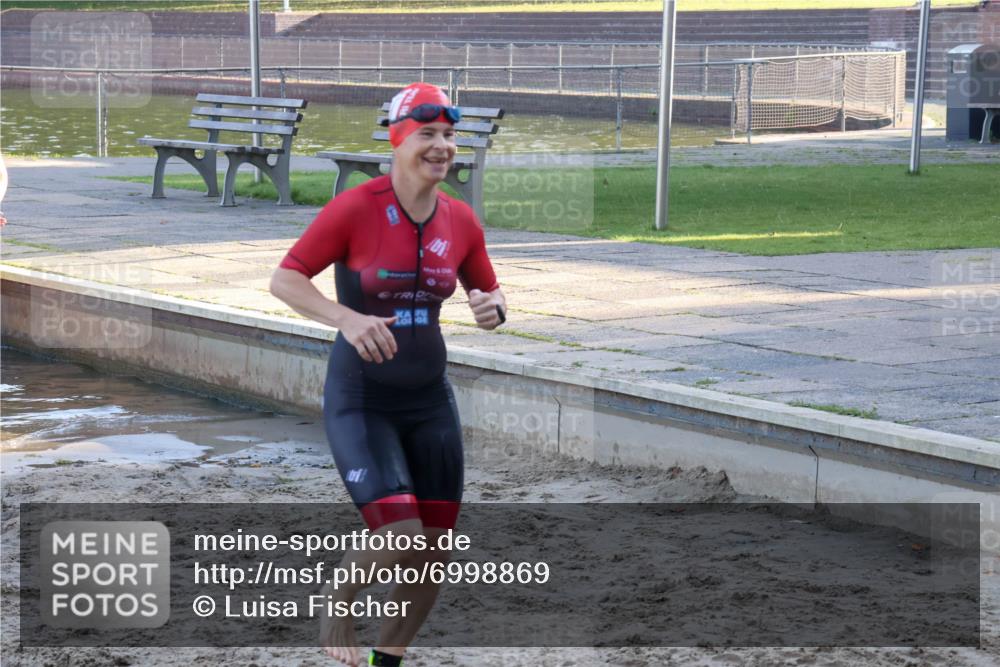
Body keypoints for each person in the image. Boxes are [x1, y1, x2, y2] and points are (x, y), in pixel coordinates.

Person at [270, 82, 506, 667]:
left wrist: (492, 311)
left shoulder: (461, 220)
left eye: (449, 136)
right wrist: (345, 316)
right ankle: (337, 608)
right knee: (399, 535)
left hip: (430, 400)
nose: (441, 146)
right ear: (398, 140)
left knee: (434, 551)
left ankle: (387, 660)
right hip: (362, 398)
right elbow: (286, 279)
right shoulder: (357, 207)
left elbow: (492, 298)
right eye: (427, 134)